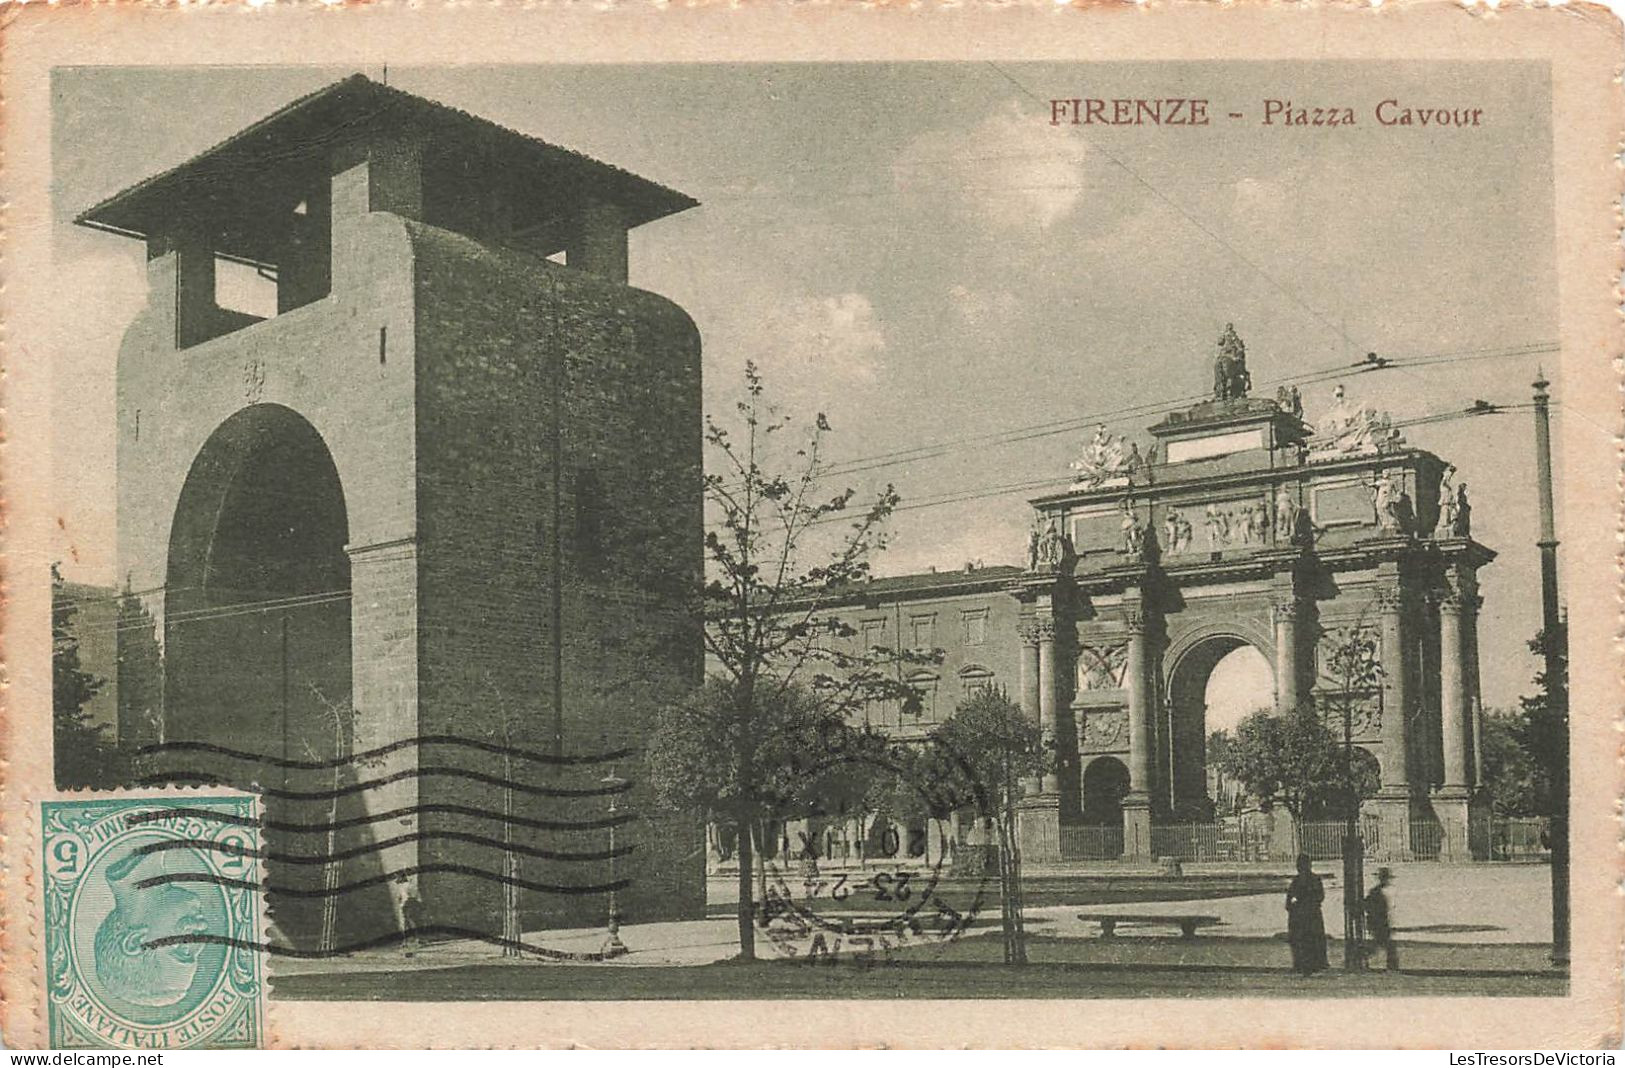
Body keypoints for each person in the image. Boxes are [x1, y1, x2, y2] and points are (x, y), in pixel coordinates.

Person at [1284, 853, 1329, 975]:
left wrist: (1297, 904)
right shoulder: (1310, 880)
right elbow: (1319, 896)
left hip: (1305, 915)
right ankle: (1313, 964)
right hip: (1310, 915)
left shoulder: (1299, 881)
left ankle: (1305, 964)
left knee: (1305, 941)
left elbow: (1290, 900)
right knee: (1310, 941)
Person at [1364, 866, 1400, 971]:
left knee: (1379, 944)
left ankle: (1363, 958)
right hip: (1380, 922)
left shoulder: (1377, 891)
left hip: (1381, 921)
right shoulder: (1376, 892)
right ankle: (1392, 966)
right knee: (1386, 945)